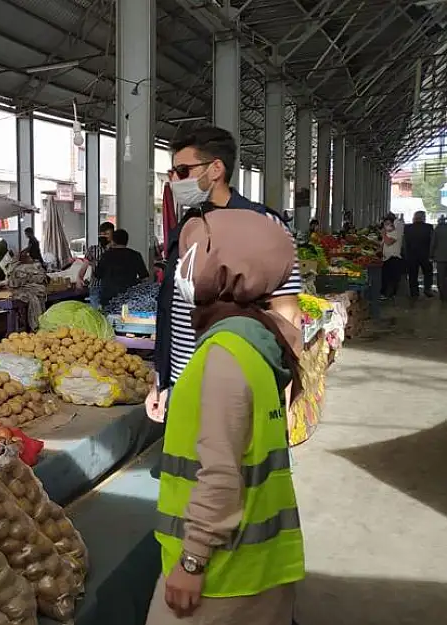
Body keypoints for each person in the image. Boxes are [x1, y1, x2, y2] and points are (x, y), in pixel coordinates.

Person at [146, 209, 304, 625]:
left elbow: (219, 474)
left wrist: (193, 561)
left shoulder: (223, 356)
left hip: (221, 578)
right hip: (257, 571)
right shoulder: (254, 340)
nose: (180, 270)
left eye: (186, 258)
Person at [150, 126, 301, 425]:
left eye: (182, 170)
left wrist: (281, 390)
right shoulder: (188, 227)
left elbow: (287, 312)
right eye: (172, 172)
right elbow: (173, 308)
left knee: (232, 468)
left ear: (216, 168)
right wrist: (160, 380)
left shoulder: (263, 224)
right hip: (183, 381)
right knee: (186, 469)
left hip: (238, 381)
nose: (174, 181)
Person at [93, 229, 149, 308]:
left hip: (108, 297)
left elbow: (97, 275)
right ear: (126, 241)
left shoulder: (106, 255)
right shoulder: (135, 255)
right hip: (129, 297)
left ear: (113, 241)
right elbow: (144, 277)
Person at [7, 250, 50, 331]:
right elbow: (12, 282)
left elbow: (43, 278)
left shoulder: (35, 267)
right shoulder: (17, 269)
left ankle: (36, 326)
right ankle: (36, 326)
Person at [84, 221, 116, 307]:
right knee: (96, 314)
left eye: (106, 234)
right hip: (96, 286)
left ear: (113, 234)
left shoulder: (116, 250)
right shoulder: (92, 249)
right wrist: (79, 277)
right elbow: (84, 266)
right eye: (101, 234)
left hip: (112, 286)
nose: (103, 236)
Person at [404, 210, 434, 298]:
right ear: (423, 218)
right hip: (425, 255)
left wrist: (406, 254)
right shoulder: (429, 227)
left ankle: (414, 293)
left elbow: (405, 242)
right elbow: (432, 241)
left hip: (411, 255)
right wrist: (431, 254)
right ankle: (427, 289)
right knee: (428, 273)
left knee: (413, 275)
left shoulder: (407, 228)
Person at [381, 215, 404, 300]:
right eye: (385, 224)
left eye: (388, 224)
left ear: (393, 224)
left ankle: (390, 295)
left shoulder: (396, 233)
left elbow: (388, 242)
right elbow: (382, 245)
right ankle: (385, 294)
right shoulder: (388, 233)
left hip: (394, 258)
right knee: (385, 277)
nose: (386, 226)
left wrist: (383, 234)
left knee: (392, 278)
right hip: (386, 258)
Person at [432, 215, 447, 301]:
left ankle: (443, 296)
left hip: (440, 258)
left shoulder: (437, 230)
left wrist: (431, 255)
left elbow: (433, 243)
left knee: (441, 277)